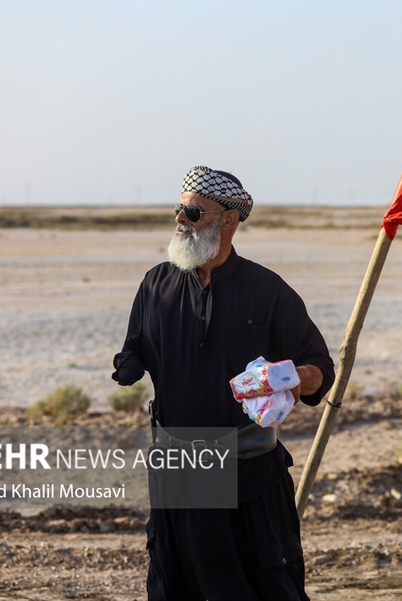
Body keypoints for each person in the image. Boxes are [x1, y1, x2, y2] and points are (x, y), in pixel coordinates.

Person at [112, 165, 335, 600]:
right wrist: (128, 365)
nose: (180, 219)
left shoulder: (267, 290)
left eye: (193, 213)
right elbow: (134, 347)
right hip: (177, 477)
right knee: (177, 587)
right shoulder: (155, 284)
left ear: (228, 220)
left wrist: (296, 379)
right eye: (178, 209)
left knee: (264, 588)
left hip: (247, 476)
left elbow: (319, 365)